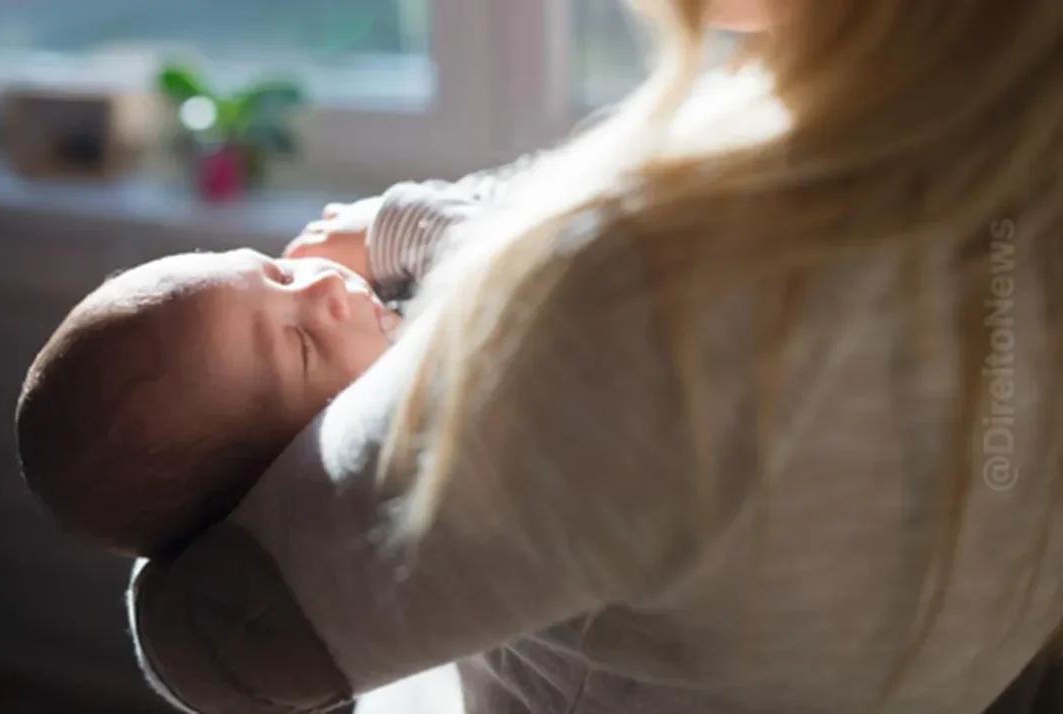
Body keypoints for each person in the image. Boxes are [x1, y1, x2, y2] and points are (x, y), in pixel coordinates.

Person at [127, 0, 1063, 712]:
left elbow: (212, 632)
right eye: (290, 335)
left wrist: (220, 499)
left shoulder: (637, 302)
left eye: (277, 275)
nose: (322, 290)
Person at [14, 181, 485, 556]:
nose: (324, 284)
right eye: (302, 344)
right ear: (296, 466)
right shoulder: (429, 429)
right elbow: (535, 267)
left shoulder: (386, 319)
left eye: (279, 274)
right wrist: (389, 229)